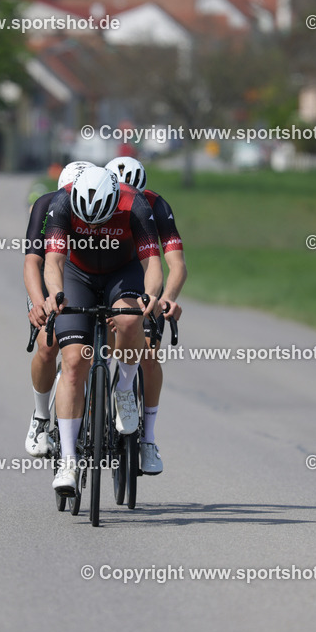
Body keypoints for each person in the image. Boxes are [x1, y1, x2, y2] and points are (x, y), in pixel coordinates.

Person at [43, 166, 163, 495]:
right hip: (78, 274)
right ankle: (68, 461)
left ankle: (124, 389)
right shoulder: (62, 202)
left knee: (129, 320)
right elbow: (53, 261)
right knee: (73, 363)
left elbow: (152, 263)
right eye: (88, 222)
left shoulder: (135, 204)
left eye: (100, 221)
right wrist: (55, 294)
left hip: (121, 272)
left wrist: (151, 295)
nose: (94, 228)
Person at [105, 156, 186, 476]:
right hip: (107, 281)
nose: (130, 203)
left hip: (144, 284)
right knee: (95, 351)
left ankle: (148, 439)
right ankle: (93, 412)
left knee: (149, 357)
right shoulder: (100, 206)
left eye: (135, 196)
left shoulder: (156, 205)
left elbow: (177, 265)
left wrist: (167, 299)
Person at [22, 161, 94, 456]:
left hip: (83, 280)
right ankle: (40, 417)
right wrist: (39, 302)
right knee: (48, 343)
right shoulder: (47, 205)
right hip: (48, 279)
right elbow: (33, 262)